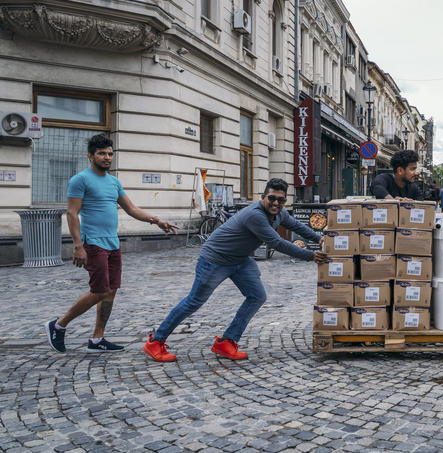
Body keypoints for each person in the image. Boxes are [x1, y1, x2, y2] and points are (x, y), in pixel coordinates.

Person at [143, 178, 328, 362]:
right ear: (263, 196)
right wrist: (310, 255)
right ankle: (156, 341)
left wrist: (319, 238)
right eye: (272, 198)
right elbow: (276, 243)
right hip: (214, 259)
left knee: (257, 296)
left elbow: (296, 225)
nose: (276, 203)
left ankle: (227, 342)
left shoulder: (280, 213)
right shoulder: (255, 215)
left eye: (281, 200)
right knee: (194, 301)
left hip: (240, 259)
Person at [45, 134, 179, 354]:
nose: (107, 157)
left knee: (111, 291)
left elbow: (132, 209)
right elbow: (72, 213)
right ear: (91, 156)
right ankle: (59, 325)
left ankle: (97, 339)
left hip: (112, 243)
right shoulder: (80, 179)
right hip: (93, 243)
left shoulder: (114, 182)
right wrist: (78, 245)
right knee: (99, 291)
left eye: (109, 154)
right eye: (102, 154)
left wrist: (157, 221)